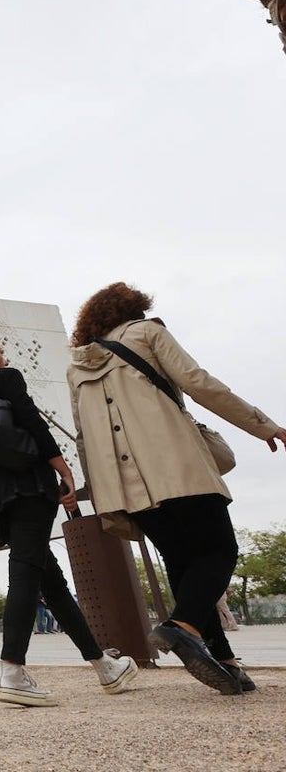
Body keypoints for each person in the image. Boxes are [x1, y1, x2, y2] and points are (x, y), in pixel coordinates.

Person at [67, 282, 286, 695]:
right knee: (221, 550)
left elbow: (82, 437)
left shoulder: (76, 366)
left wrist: (101, 492)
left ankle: (224, 661)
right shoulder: (147, 332)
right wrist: (262, 425)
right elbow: (199, 382)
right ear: (133, 308)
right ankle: (181, 625)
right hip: (176, 468)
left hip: (124, 485)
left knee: (183, 562)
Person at [0, 332, 138, 706]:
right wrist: (63, 470)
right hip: (29, 488)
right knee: (25, 574)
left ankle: (104, 666)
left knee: (51, 583)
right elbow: (34, 424)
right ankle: (12, 669)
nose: (5, 356)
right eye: (1, 351)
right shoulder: (6, 378)